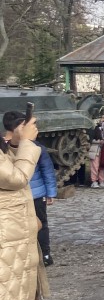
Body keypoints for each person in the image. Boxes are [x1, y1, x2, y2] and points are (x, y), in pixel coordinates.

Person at [1, 113, 79, 300]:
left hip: (13, 235)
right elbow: (14, 178)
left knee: (26, 292)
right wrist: (26, 143)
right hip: (5, 235)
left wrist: (16, 142)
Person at [3, 112, 57, 266]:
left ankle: (44, 252)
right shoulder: (7, 147)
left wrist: (50, 192)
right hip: (20, 194)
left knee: (41, 224)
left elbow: (47, 170)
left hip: (36, 193)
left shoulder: (37, 148)